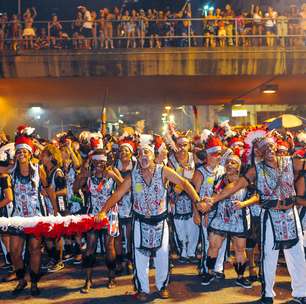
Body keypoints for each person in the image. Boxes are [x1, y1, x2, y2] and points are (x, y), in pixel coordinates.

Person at [200, 137, 306, 304]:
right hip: (270, 215)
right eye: (265, 148)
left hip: (291, 215)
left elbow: (302, 166)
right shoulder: (256, 169)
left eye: (271, 146)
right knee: (268, 256)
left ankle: (301, 293)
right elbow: (235, 186)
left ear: (276, 146)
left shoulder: (290, 161)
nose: (270, 149)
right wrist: (214, 199)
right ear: (259, 152)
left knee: (297, 254)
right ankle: (268, 294)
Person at [95, 141, 201, 301]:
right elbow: (117, 194)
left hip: (161, 222)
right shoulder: (133, 176)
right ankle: (142, 289)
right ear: (137, 157)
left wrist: (197, 201)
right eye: (141, 154)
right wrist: (103, 210)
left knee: (163, 255)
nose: (143, 156)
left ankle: (162, 286)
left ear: (153, 155)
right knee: (140, 257)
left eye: (147, 153)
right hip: (140, 222)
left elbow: (184, 183)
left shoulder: (163, 171)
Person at [205, 154, 258, 288]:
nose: (229, 164)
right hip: (220, 218)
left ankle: (240, 277)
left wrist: (244, 203)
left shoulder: (245, 180)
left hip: (238, 220)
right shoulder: (220, 179)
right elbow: (213, 196)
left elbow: (257, 196)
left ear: (239, 167)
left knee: (240, 249)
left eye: (233, 162)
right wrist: (206, 212)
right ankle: (210, 273)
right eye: (228, 162)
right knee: (213, 246)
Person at [74, 149, 123, 293]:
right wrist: (82, 176)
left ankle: (111, 277)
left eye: (102, 161)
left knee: (109, 246)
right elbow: (75, 188)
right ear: (92, 162)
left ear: (106, 162)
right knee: (90, 247)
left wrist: (114, 176)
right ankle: (88, 280)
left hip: (110, 215)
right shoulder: (88, 175)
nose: (99, 164)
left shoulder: (112, 173)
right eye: (96, 161)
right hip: (93, 215)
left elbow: (124, 188)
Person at [9, 135, 45, 296]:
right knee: (14, 251)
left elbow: (48, 189)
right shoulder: (10, 171)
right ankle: (21, 279)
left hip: (35, 217)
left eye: (24, 151)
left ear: (30, 153)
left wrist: (56, 212)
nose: (21, 154)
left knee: (35, 249)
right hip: (17, 218)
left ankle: (34, 283)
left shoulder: (38, 170)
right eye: (18, 152)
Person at [192, 136, 228, 280]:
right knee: (208, 241)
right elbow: (193, 195)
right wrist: (196, 213)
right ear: (207, 156)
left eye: (219, 154)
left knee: (223, 240)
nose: (217, 157)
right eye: (214, 155)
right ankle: (206, 268)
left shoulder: (224, 170)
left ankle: (218, 268)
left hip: (222, 211)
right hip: (205, 212)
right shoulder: (200, 172)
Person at [168, 136, 199, 263]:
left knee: (193, 226)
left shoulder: (194, 157)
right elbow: (169, 179)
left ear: (189, 145)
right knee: (179, 226)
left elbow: (198, 175)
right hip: (177, 196)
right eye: (179, 145)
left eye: (185, 144)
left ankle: (191, 252)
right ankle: (183, 252)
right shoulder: (170, 160)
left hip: (191, 196)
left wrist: (190, 180)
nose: (182, 148)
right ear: (175, 146)